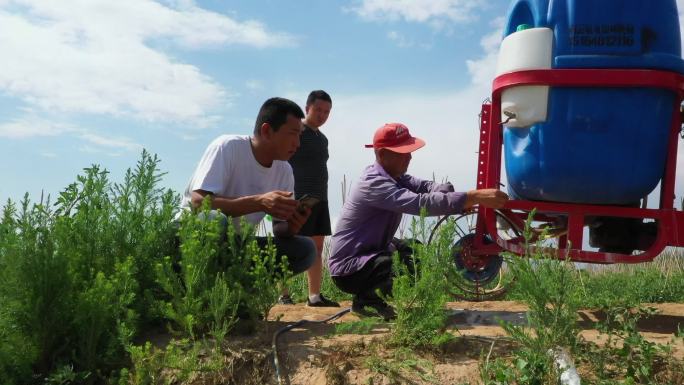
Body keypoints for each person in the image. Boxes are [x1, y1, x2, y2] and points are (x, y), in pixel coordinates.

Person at [328, 122, 509, 320]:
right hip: (348, 270)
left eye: (409, 151)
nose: (409, 157)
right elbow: (420, 203)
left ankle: (370, 298)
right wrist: (470, 197)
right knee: (402, 263)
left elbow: (426, 186)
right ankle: (366, 301)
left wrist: (453, 196)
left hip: (368, 252)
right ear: (381, 155)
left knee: (415, 250)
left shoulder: (396, 177)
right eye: (402, 152)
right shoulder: (374, 184)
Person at [180, 97, 316, 288]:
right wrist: (259, 202)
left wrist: (292, 225)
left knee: (306, 249)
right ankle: (197, 293)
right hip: (187, 238)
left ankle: (238, 294)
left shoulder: (284, 170)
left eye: (299, 135)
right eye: (293, 134)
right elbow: (198, 202)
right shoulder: (228, 147)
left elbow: (279, 228)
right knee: (214, 220)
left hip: (237, 245)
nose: (298, 143)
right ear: (267, 131)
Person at [286, 90, 339, 307]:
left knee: (317, 247)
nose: (322, 115)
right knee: (288, 245)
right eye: (318, 110)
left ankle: (314, 297)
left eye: (327, 112)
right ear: (307, 108)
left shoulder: (322, 139)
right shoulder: (296, 131)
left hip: (320, 199)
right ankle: (284, 294)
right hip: (296, 197)